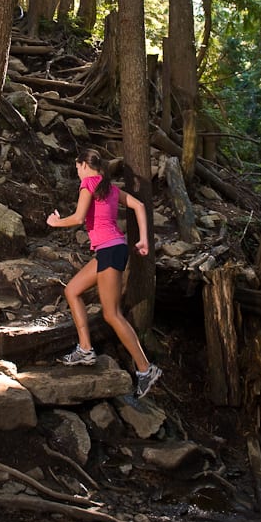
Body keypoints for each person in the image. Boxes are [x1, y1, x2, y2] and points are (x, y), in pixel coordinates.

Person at [47, 147, 162, 399]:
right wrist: (143, 240)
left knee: (112, 314)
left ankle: (146, 369)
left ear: (84, 165)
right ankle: (85, 348)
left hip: (110, 251)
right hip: (110, 250)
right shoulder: (109, 187)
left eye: (77, 168)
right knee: (72, 290)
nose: (77, 173)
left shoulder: (89, 183)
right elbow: (139, 206)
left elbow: (78, 218)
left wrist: (56, 222)